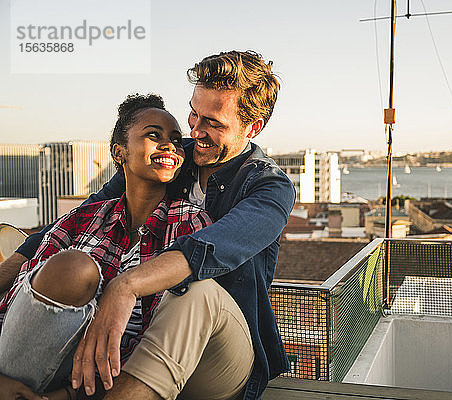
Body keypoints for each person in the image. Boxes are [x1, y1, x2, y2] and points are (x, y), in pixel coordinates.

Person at [2, 50, 296, 400]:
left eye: (213, 124)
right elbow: (81, 218)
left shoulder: (269, 187)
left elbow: (208, 247)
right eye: (193, 114)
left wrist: (126, 287)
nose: (195, 131)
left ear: (253, 126)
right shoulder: (174, 156)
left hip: (220, 350)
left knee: (195, 290)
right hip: (147, 332)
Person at [0, 93, 214, 399]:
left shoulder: (191, 226)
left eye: (177, 140)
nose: (169, 145)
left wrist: (67, 395)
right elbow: (17, 300)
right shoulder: (82, 218)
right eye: (154, 135)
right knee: (75, 268)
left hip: (101, 384)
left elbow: (160, 339)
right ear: (119, 151)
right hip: (21, 365)